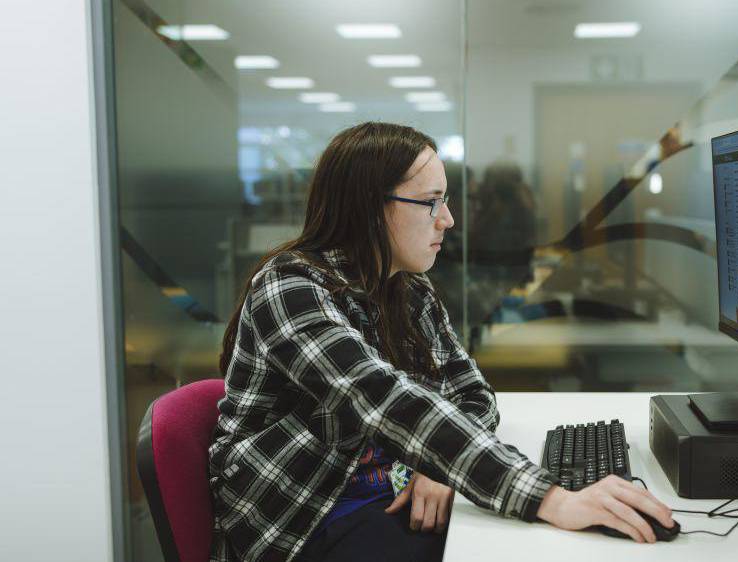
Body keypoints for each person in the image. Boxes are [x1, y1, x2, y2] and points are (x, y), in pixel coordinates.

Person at [208, 122, 675, 562]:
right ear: (371, 208)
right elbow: (383, 400)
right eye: (431, 202)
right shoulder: (289, 287)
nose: (448, 220)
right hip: (305, 516)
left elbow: (472, 393)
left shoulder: (407, 289)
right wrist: (550, 497)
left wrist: (435, 466)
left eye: (447, 200)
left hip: (385, 495)